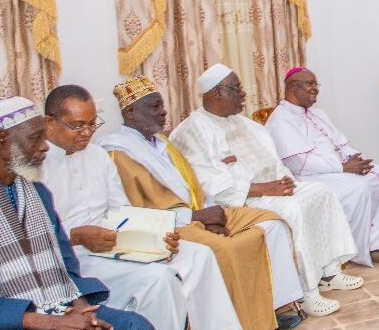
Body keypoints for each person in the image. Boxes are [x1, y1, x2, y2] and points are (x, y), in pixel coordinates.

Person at [100, 76, 307, 329]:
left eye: (162, 105)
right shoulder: (118, 154)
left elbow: (192, 184)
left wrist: (211, 211)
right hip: (174, 225)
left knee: (273, 223)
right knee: (230, 249)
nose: (164, 112)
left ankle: (277, 304)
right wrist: (198, 218)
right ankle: (245, 320)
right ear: (130, 111)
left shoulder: (162, 143)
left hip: (200, 210)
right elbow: (137, 213)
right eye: (154, 107)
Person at [40, 85, 238, 330]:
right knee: (159, 279)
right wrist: (77, 235)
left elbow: (121, 210)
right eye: (78, 125)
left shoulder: (98, 156)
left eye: (92, 124)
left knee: (200, 254)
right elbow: (33, 237)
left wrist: (157, 235)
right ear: (49, 122)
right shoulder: (36, 167)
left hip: (115, 242)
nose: (87, 132)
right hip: (74, 257)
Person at [170, 64, 361, 316]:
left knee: (320, 191)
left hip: (271, 189)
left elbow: (271, 157)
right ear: (216, 93)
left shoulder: (241, 122)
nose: (243, 94)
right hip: (241, 201)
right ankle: (306, 293)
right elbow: (210, 184)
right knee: (292, 209)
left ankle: (329, 272)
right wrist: (265, 188)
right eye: (236, 89)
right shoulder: (193, 130)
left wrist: (283, 180)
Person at [0, 96, 153, 330]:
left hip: (59, 301)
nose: (46, 146)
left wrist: (80, 306)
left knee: (134, 324)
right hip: (9, 319)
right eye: (35, 137)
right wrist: (52, 323)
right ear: (2, 138)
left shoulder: (36, 191)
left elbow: (64, 259)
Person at [265, 67, 379, 266]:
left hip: (337, 169)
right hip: (310, 177)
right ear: (293, 87)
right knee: (359, 188)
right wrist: (343, 167)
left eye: (316, 84)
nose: (315, 89)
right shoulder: (280, 119)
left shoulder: (317, 113)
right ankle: (352, 249)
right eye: (310, 84)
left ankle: (377, 242)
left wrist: (356, 160)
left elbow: (341, 144)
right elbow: (299, 163)